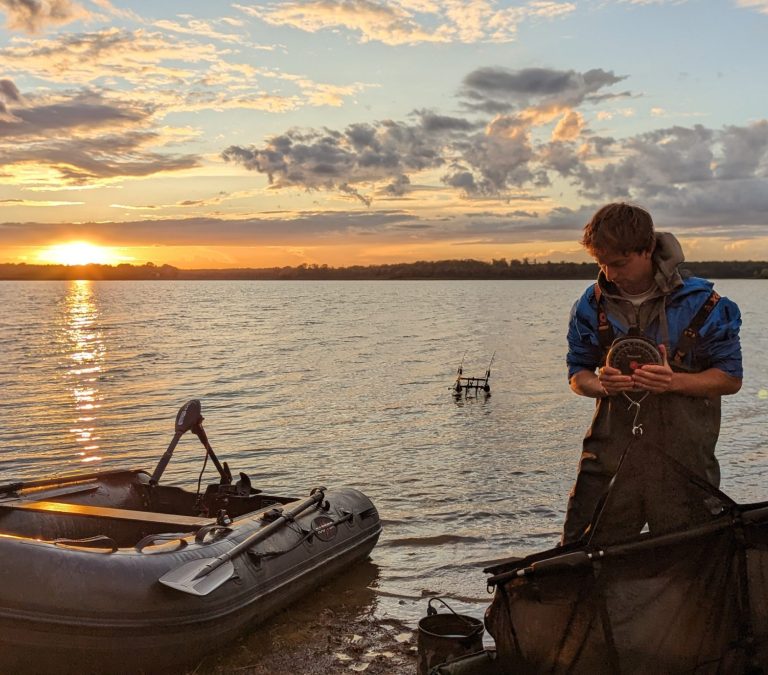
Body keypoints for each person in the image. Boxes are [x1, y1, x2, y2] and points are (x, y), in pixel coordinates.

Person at [562, 203, 742, 545]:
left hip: (685, 463)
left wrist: (672, 381)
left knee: (691, 562)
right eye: (600, 263)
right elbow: (577, 374)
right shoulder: (590, 304)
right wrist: (601, 385)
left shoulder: (707, 304)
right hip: (608, 460)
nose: (609, 273)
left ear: (647, 250)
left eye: (618, 263)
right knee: (577, 558)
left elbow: (730, 379)